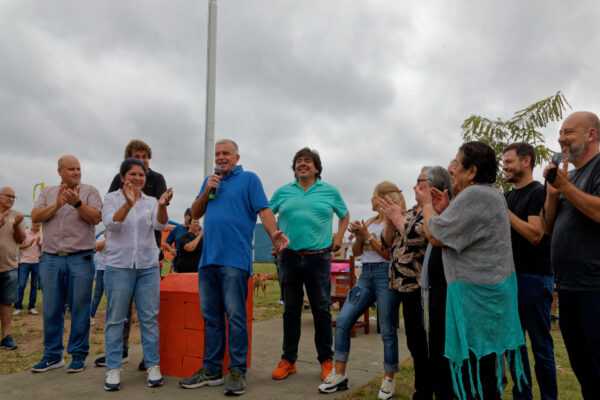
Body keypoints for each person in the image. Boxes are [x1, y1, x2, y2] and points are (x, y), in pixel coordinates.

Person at [415, 142, 526, 400]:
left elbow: (436, 235)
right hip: (486, 297)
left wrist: (427, 205)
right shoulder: (489, 195)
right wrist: (444, 210)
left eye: (456, 163)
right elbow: (456, 231)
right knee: (483, 368)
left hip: (477, 300)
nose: (451, 170)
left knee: (477, 371)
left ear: (472, 171)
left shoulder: (476, 195)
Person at [179, 139, 288, 396]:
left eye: (226, 153)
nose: (221, 157)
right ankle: (212, 370)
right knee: (211, 318)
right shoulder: (210, 181)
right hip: (208, 261)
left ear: (237, 157)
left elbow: (264, 210)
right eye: (217, 154)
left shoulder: (249, 180)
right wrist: (207, 190)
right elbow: (195, 212)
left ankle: (237, 371)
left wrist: (274, 235)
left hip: (235, 261)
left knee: (236, 318)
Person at [269, 147, 349, 383]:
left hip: (319, 257)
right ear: (294, 168)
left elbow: (344, 215)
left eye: (307, 161)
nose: (302, 164)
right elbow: (266, 214)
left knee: (321, 310)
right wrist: (274, 235)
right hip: (289, 257)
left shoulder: (329, 191)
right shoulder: (283, 192)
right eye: (298, 161)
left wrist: (338, 237)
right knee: (291, 310)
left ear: (316, 168)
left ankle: (326, 360)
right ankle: (288, 360)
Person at [318, 181, 401, 399]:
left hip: (385, 274)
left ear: (382, 197)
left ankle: (389, 378)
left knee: (387, 329)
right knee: (343, 320)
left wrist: (368, 236)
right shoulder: (371, 221)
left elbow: (388, 254)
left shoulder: (394, 220)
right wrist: (359, 236)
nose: (371, 199)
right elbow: (356, 252)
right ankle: (339, 374)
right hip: (365, 275)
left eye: (373, 195)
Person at [541, 111, 600, 399]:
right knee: (584, 370)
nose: (561, 139)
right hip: (568, 286)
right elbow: (547, 227)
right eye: (560, 133)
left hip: (595, 287)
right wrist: (552, 194)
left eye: (569, 132)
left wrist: (564, 186)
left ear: (591, 134)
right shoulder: (569, 175)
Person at [101, 158, 173, 391]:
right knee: (115, 318)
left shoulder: (150, 201)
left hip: (147, 266)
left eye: (141, 175)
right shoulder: (111, 199)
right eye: (132, 174)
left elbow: (160, 226)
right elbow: (112, 225)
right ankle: (113, 368)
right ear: (123, 177)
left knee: (149, 317)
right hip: (118, 266)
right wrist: (128, 204)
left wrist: (162, 205)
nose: (138, 178)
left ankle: (153, 365)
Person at [31, 155, 102, 373]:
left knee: (80, 308)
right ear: (60, 171)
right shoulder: (48, 193)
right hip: (51, 258)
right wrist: (57, 204)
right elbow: (35, 216)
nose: (76, 172)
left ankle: (78, 355)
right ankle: (52, 356)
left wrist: (77, 203)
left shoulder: (90, 191)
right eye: (71, 169)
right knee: (51, 308)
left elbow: (96, 218)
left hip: (80, 257)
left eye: (78, 168)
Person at [372, 169, 434, 400]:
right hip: (400, 284)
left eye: (421, 182)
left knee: (421, 341)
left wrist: (397, 219)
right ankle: (423, 387)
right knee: (413, 340)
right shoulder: (408, 212)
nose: (415, 186)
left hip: (418, 285)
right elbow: (387, 243)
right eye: (416, 182)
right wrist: (390, 220)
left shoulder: (432, 212)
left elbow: (419, 237)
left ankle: (425, 390)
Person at [502, 143, 558, 400]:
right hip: (510, 280)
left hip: (534, 279)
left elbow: (536, 234)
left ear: (526, 162)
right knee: (514, 346)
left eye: (509, 161)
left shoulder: (538, 192)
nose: (505, 166)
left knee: (540, 346)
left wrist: (505, 213)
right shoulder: (507, 196)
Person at [419, 166, 454, 400]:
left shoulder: (456, 210)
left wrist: (428, 206)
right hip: (434, 289)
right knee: (435, 346)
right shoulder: (437, 210)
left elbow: (435, 236)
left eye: (422, 183)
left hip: (448, 289)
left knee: (444, 348)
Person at [0, 187, 26, 350]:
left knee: (6, 303)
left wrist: (16, 226)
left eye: (13, 197)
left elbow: (21, 239)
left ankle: (6, 336)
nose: (11, 199)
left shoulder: (17, 215)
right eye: (8, 196)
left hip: (9, 266)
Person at [14, 223, 42, 315]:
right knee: (21, 285)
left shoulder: (41, 234)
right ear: (32, 224)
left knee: (34, 286)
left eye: (39, 225)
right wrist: (29, 244)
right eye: (36, 225)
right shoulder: (25, 233)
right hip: (24, 262)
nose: (37, 227)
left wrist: (39, 245)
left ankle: (32, 307)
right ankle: (18, 306)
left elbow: (44, 249)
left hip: (36, 262)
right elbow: (18, 246)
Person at [90, 235, 107, 325]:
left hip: (113, 269)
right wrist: (107, 239)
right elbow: (96, 248)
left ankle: (110, 316)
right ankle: (91, 315)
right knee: (98, 293)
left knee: (112, 295)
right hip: (102, 269)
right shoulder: (101, 237)